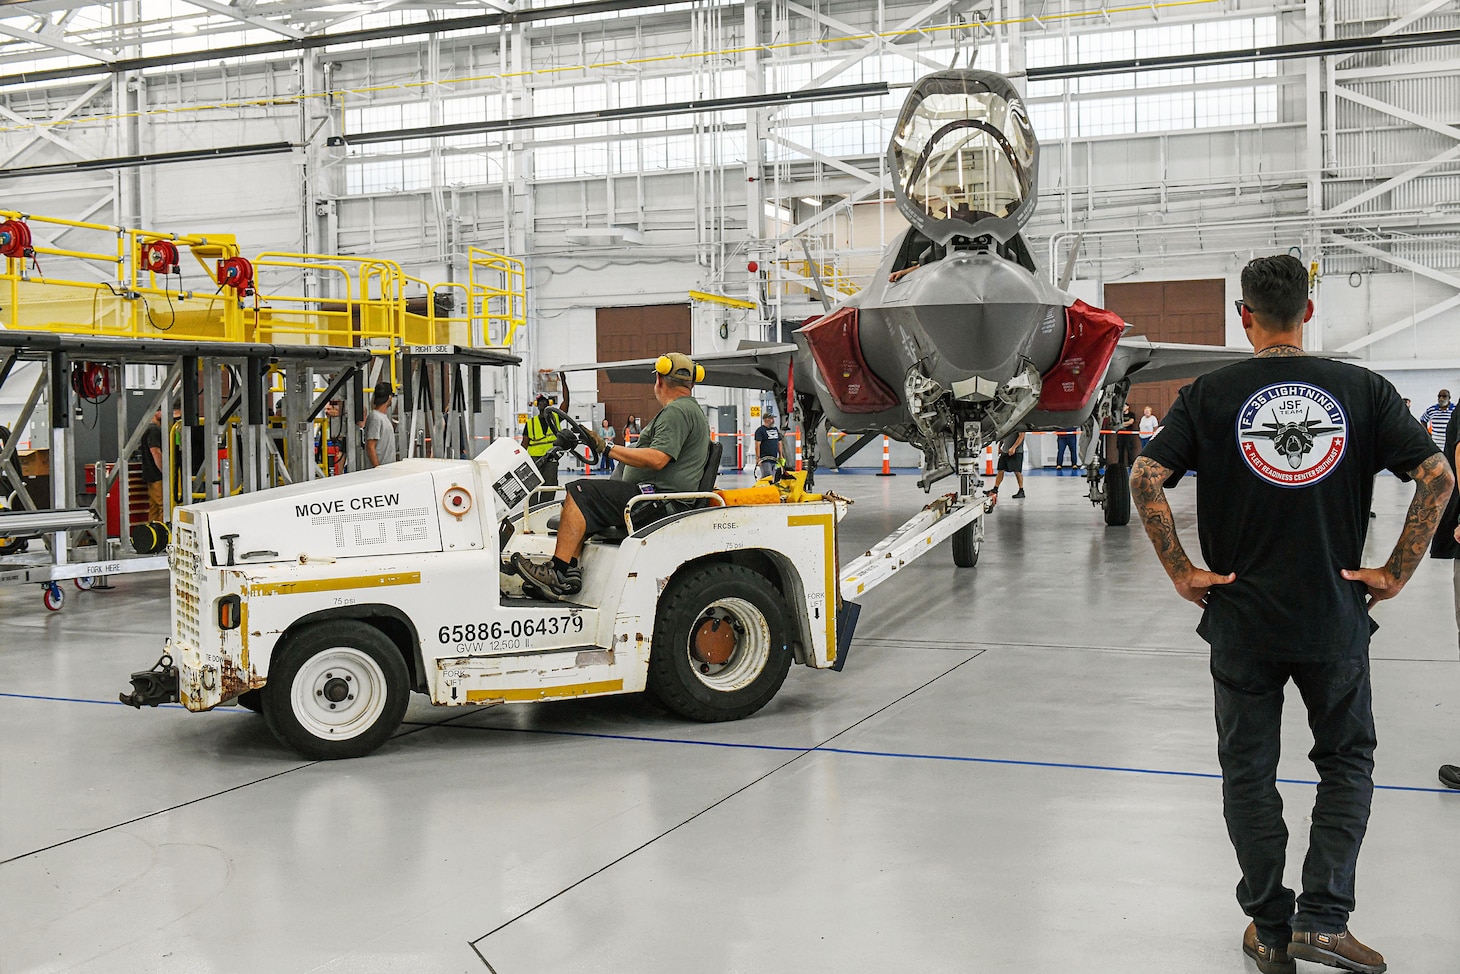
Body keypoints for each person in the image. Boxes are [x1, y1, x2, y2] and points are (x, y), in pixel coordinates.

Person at [1130, 254, 1450, 974]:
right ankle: (1324, 921)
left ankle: (1272, 931)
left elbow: (1147, 474)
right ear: (1308, 310)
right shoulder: (1362, 390)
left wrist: (1182, 571)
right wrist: (1396, 572)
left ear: (1244, 316)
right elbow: (1437, 473)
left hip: (1240, 618)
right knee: (1347, 764)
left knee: (1248, 771)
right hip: (1334, 616)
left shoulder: (1210, 394)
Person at [513, 352, 710, 600]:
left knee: (579, 491)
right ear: (691, 383)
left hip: (656, 501)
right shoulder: (688, 410)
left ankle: (559, 570)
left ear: (659, 380)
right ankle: (569, 574)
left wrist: (606, 448)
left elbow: (658, 459)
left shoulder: (677, 412)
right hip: (656, 496)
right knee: (583, 501)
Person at [521, 395, 561, 489]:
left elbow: (566, 404)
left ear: (549, 404)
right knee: (533, 484)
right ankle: (533, 504)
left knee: (550, 484)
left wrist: (563, 383)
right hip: (534, 458)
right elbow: (524, 443)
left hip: (551, 456)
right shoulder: (531, 422)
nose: (542, 404)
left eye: (544, 402)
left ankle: (547, 504)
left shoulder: (555, 418)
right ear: (537, 405)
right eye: (540, 402)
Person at [138, 410, 166, 523]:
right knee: (164, 507)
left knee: (154, 508)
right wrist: (166, 472)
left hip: (151, 475)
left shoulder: (149, 429)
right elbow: (156, 452)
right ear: (156, 412)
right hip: (157, 476)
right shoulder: (154, 430)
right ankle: (163, 536)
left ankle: (153, 535)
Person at [364, 386, 396, 468]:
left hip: (387, 470)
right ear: (389, 397)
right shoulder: (375, 418)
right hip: (380, 472)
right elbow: (370, 446)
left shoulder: (381, 417)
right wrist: (378, 468)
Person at [989, 430, 1025, 498]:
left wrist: (1013, 448)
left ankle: (1021, 490)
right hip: (1005, 451)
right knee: (1000, 470)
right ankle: (995, 489)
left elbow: (1021, 436)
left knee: (1017, 471)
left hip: (1016, 452)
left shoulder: (1019, 425)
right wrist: (999, 447)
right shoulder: (1007, 425)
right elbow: (1003, 436)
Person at [754, 412, 784, 479]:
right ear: (765, 420)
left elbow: (779, 442)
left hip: (774, 458)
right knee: (768, 476)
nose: (773, 420)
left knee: (773, 476)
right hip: (765, 458)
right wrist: (758, 458)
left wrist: (781, 455)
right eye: (771, 419)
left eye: (773, 418)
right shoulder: (760, 431)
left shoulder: (775, 430)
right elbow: (757, 445)